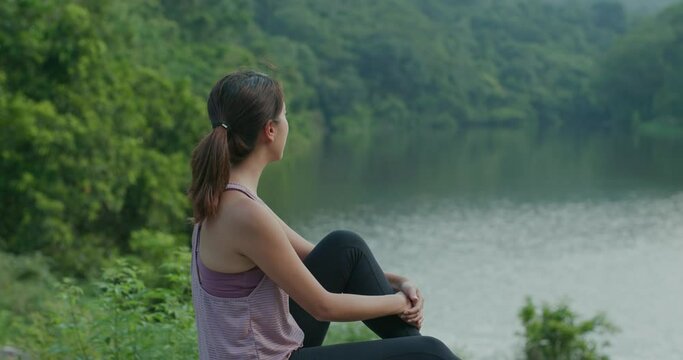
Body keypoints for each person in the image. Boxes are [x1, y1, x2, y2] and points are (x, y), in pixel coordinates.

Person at [188, 70, 460, 360]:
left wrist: (400, 282)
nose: (287, 124)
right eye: (286, 115)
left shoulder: (232, 199)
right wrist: (397, 303)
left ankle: (408, 345)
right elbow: (323, 306)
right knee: (431, 353)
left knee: (345, 247)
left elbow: (316, 258)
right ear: (270, 129)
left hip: (271, 349)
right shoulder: (245, 215)